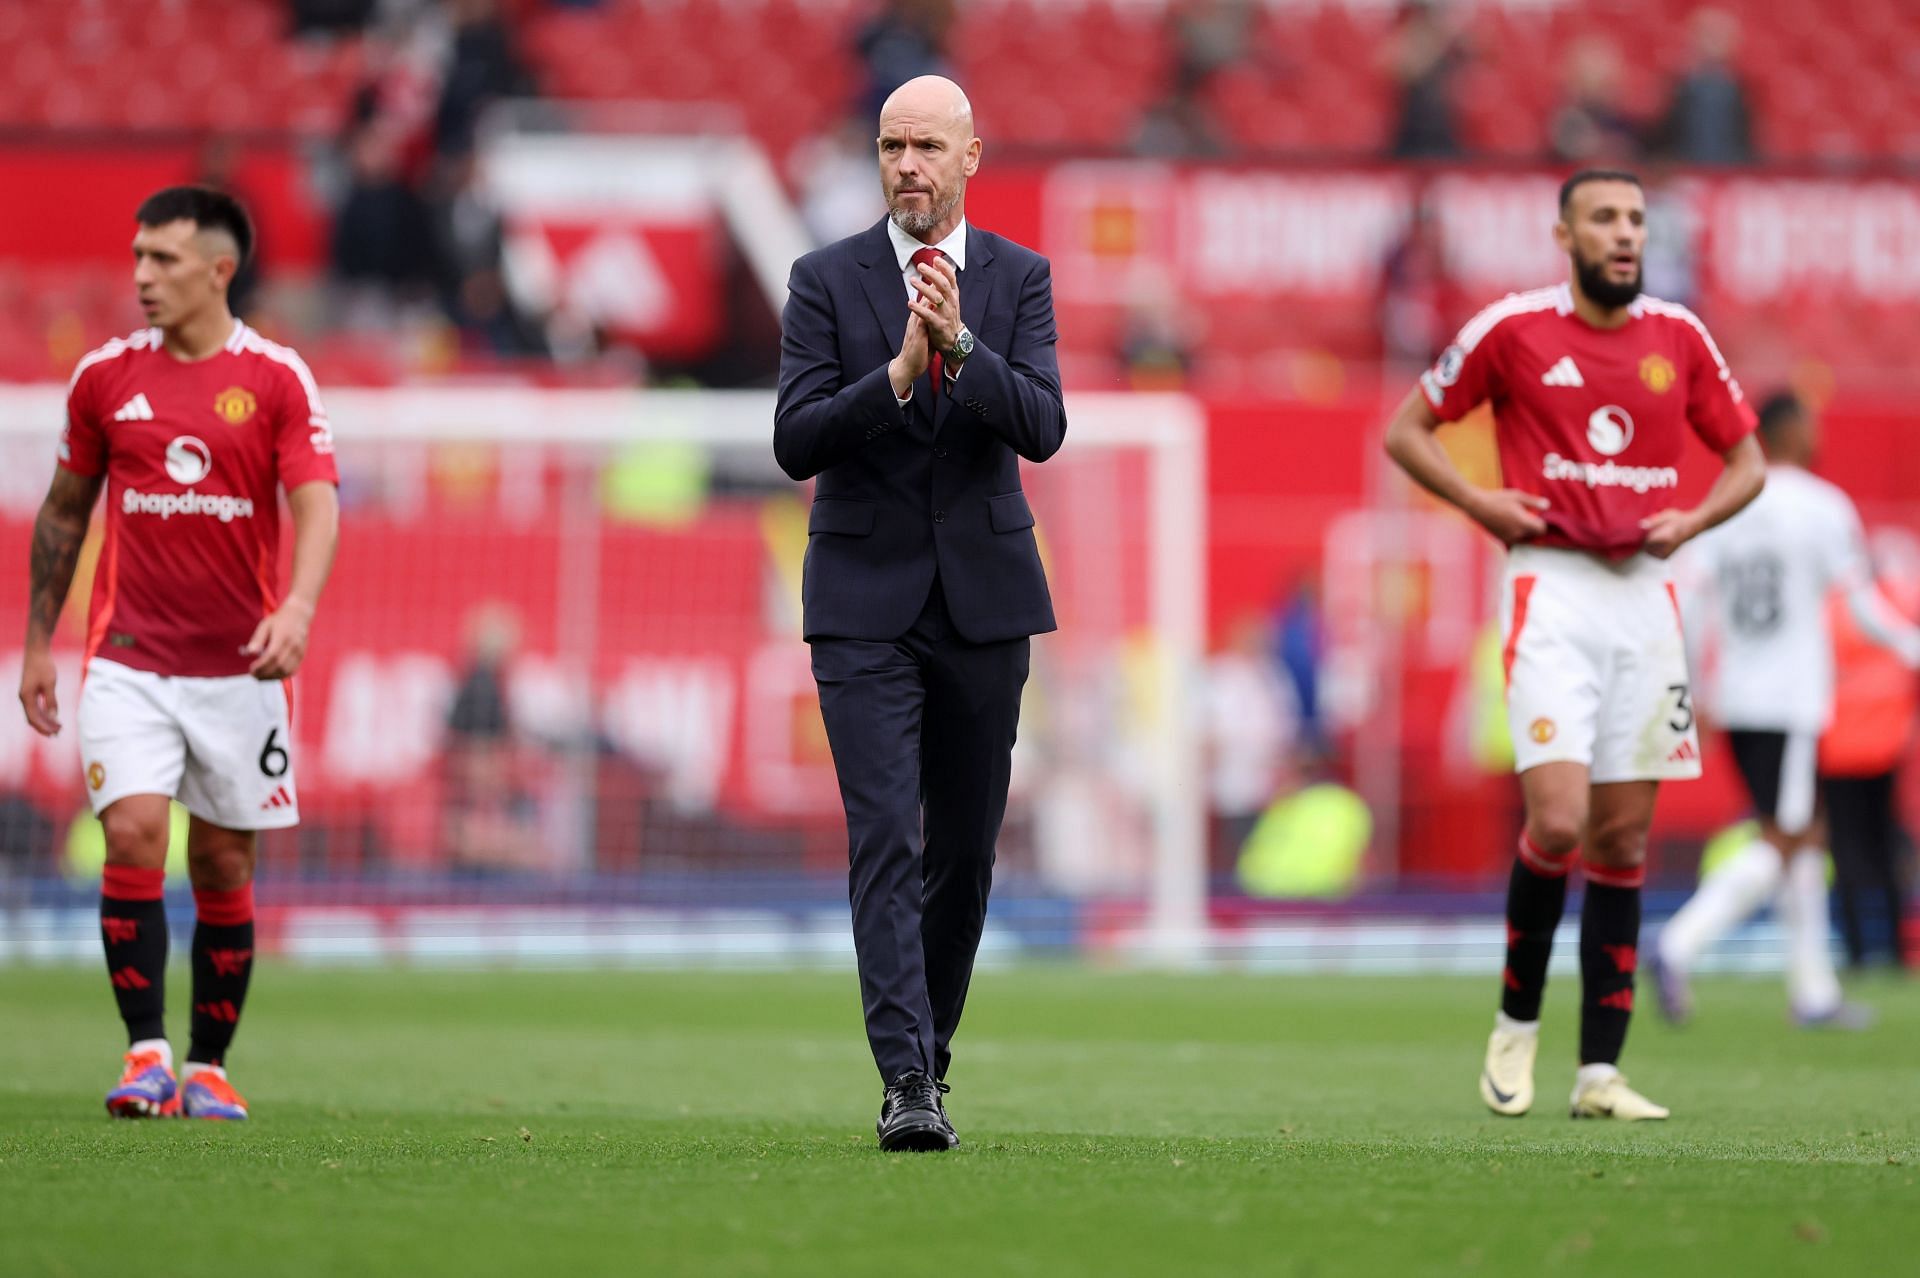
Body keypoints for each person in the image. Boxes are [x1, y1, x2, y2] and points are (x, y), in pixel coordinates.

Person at [1383, 169, 1766, 1121]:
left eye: (1636, 220)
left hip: (1646, 598)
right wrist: (1480, 503)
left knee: (1624, 838)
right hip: (1549, 587)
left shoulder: (1680, 338)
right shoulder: (1514, 329)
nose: (1625, 235)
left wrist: (1694, 519)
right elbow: (1408, 430)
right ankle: (1516, 1022)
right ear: (1565, 235)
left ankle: (1601, 1073)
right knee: (1557, 823)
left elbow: (1749, 460)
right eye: (1605, 219)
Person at [774, 75, 1065, 1151]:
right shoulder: (824, 279)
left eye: (927, 146)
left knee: (968, 853)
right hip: (860, 605)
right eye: (892, 144)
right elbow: (795, 439)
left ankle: (927, 1060)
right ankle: (904, 1080)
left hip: (985, 604)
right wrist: (897, 371)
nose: (907, 164)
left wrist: (964, 353)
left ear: (969, 158)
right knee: (885, 834)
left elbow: (1042, 426)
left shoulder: (1019, 279)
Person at [17, 186, 341, 1120]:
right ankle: (144, 1054)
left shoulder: (278, 378)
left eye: (162, 259)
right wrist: (40, 640)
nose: (142, 276)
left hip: (242, 667)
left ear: (218, 270)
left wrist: (300, 607)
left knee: (225, 865)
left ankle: (208, 1065)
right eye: (138, 258)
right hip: (128, 658)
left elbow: (316, 500)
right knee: (131, 835)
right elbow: (65, 512)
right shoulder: (106, 379)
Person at [1653, 394, 1920, 1024]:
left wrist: (1692, 685)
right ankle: (1678, 943)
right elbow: (1860, 607)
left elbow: (1690, 598)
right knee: (1790, 834)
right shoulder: (1823, 507)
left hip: (1739, 694)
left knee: (1802, 839)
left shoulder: (1730, 499)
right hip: (1794, 697)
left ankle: (1813, 992)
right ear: (1790, 432)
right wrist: (1911, 644)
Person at [1819, 553, 1920, 968]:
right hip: (1882, 747)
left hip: (1838, 748)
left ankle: (1859, 950)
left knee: (1847, 849)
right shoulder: (1896, 605)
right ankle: (1894, 949)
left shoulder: (1828, 610)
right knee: (1883, 847)